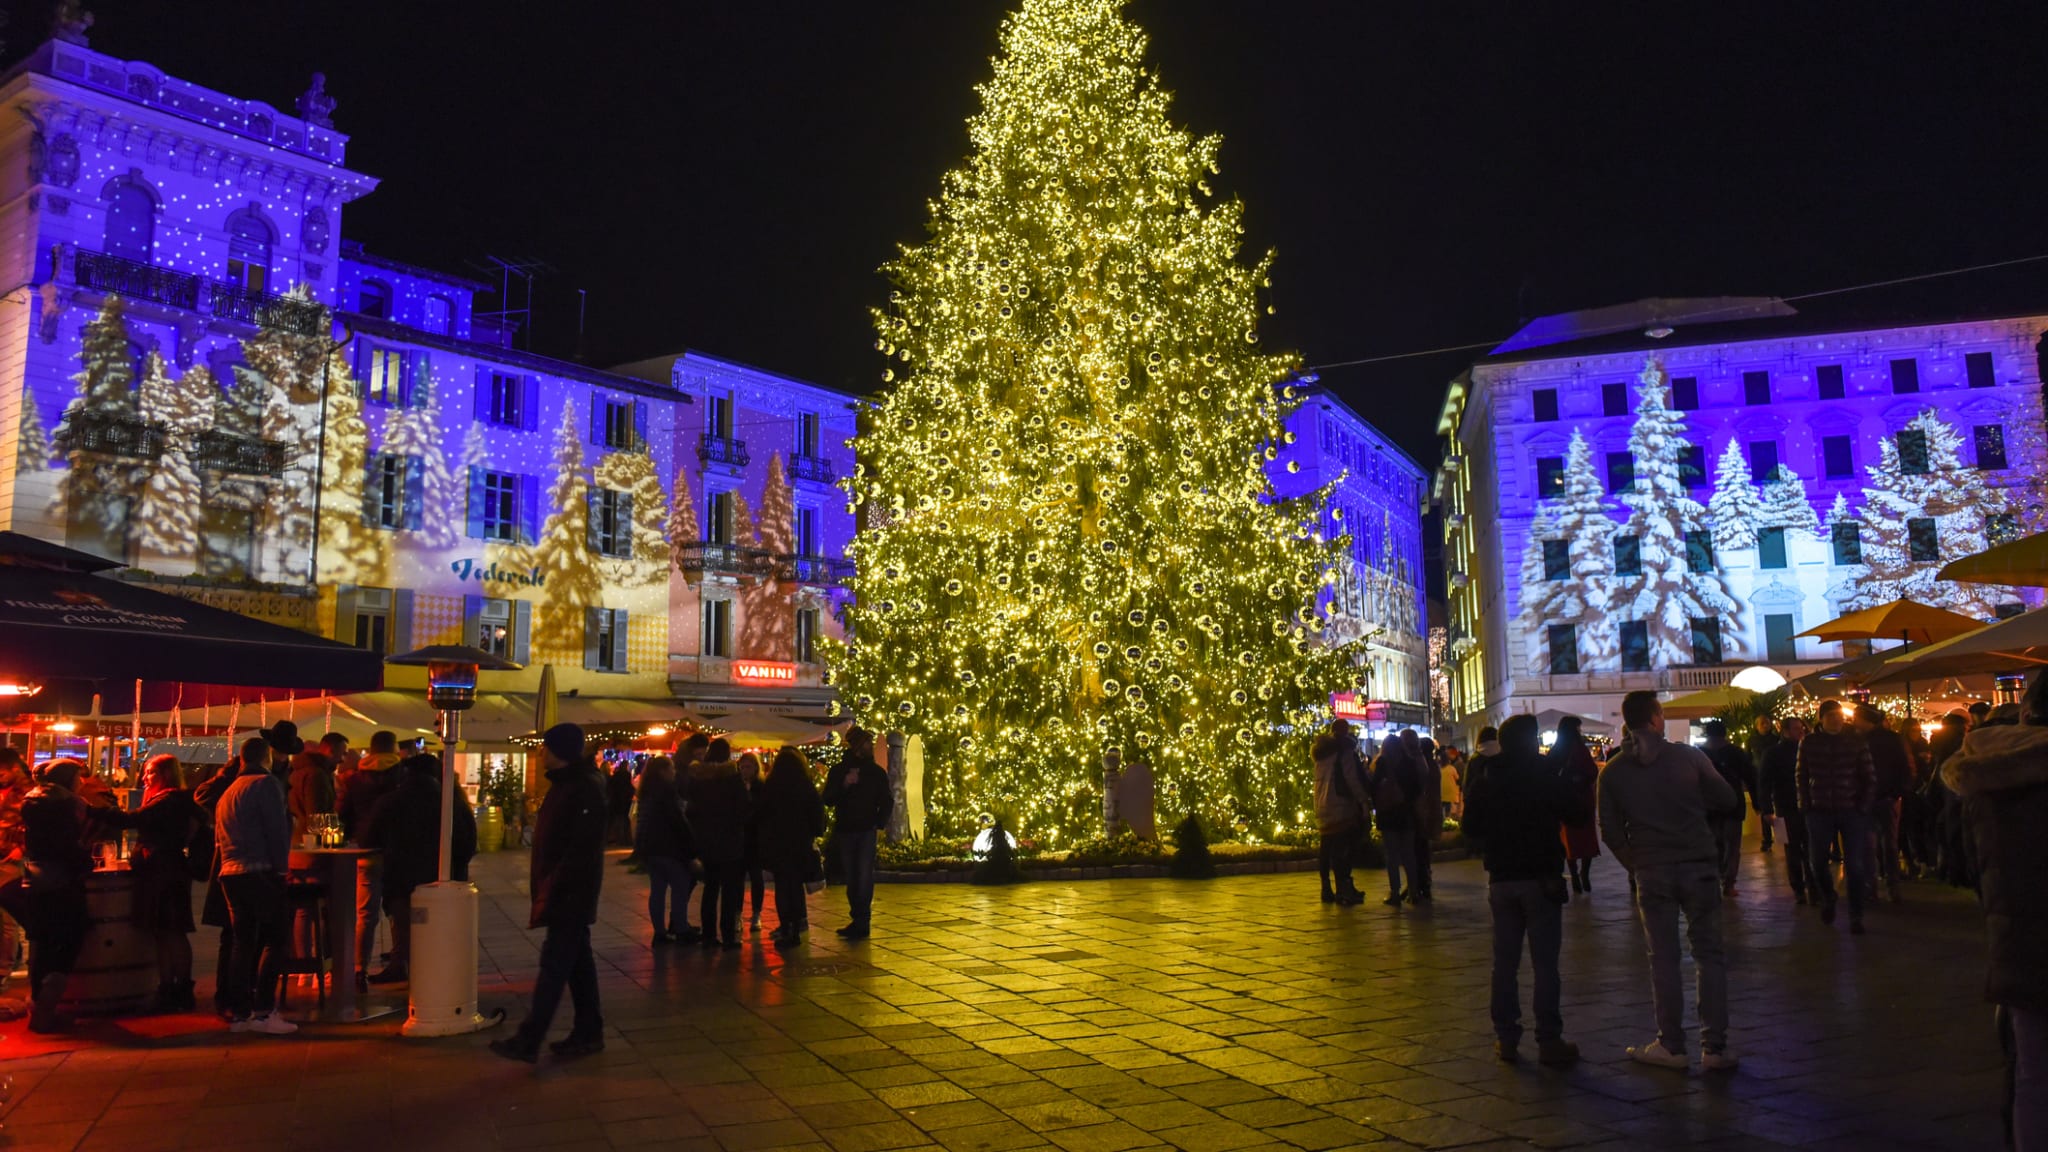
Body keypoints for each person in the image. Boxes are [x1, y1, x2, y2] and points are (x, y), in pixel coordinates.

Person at [1598, 691, 1740, 1071]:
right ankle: (1715, 1047)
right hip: (1698, 863)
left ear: (1627, 722)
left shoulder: (1612, 771)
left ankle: (1671, 1044)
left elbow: (1610, 830)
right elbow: (1726, 798)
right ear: (1657, 718)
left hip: (1652, 869)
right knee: (1708, 953)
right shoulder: (1690, 757)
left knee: (1662, 957)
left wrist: (1636, 863)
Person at [1942, 674, 2048, 1152]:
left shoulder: (1986, 776)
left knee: (2033, 1077)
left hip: (2018, 940)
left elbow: (1966, 864)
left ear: (2027, 710)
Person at [1464, 714, 1587, 1065]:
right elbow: (1576, 814)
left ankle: (1506, 1036)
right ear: (1531, 739)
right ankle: (1549, 1039)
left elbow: (1470, 825)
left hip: (1502, 877)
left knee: (1504, 962)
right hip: (1540, 876)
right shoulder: (1544, 772)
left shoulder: (1488, 775)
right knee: (1545, 963)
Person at [493, 723, 608, 1063]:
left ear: (559, 751)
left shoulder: (581, 788)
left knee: (555, 966)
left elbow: (579, 849)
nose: (541, 752)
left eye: (545, 747)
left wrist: (555, 886)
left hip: (569, 891)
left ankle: (529, 1038)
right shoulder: (570, 785)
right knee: (578, 965)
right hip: (565, 888)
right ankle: (589, 1031)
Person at [363, 753, 476, 983]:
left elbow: (368, 838)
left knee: (405, 927)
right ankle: (434, 975)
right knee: (438, 929)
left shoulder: (391, 801)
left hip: (401, 878)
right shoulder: (451, 802)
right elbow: (468, 842)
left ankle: (402, 966)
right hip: (442, 879)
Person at [214, 737, 295, 1034]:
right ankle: (263, 1011)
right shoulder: (266, 784)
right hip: (259, 870)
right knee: (276, 939)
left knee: (243, 942)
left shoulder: (229, 792)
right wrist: (281, 869)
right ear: (267, 757)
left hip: (230, 872)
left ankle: (239, 1013)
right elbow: (276, 830)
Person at [131, 755, 206, 1011]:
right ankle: (172, 987)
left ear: (165, 774)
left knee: (171, 930)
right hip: (168, 871)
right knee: (165, 931)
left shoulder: (167, 800)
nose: (145, 777)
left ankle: (178, 988)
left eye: (150, 772)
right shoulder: (177, 800)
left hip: (165, 872)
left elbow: (132, 819)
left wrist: (90, 809)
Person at [1799, 699, 1877, 934]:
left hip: (1850, 809)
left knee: (1854, 864)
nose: (1836, 719)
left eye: (1839, 715)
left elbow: (1869, 776)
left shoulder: (1855, 741)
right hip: (1819, 810)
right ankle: (1828, 897)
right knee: (1817, 862)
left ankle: (1856, 914)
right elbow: (1801, 774)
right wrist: (1806, 804)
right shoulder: (1809, 742)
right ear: (1821, 718)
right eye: (1831, 715)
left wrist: (1862, 806)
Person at [337, 730, 402, 991]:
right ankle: (399, 963)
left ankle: (358, 969)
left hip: (365, 852)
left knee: (366, 914)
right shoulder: (402, 776)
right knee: (397, 911)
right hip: (397, 852)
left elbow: (343, 814)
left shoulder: (354, 780)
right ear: (394, 749)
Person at [821, 728, 891, 940]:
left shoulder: (876, 773)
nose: (871, 747)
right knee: (852, 876)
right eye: (867, 744)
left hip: (866, 830)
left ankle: (863, 920)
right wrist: (845, 784)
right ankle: (858, 918)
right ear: (858, 747)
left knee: (863, 875)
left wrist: (878, 823)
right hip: (847, 830)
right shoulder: (839, 771)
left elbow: (886, 800)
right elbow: (828, 799)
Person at [755, 748, 824, 949]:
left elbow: (761, 814)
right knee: (795, 886)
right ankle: (796, 927)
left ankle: (786, 927)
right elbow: (817, 815)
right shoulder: (805, 786)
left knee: (783, 887)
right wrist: (814, 833)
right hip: (800, 843)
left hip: (778, 845)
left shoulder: (771, 786)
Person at [686, 739, 750, 950]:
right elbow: (743, 808)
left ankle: (709, 934)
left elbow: (691, 810)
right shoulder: (732, 778)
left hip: (706, 841)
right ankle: (729, 935)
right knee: (730, 890)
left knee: (711, 888)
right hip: (730, 840)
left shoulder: (698, 779)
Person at [1853, 703, 1913, 904]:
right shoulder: (1892, 739)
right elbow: (1906, 768)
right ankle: (1891, 885)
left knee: (1872, 845)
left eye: (1856, 718)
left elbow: (1904, 768)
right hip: (1886, 797)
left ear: (1865, 720)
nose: (1853, 722)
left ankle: (1873, 887)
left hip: (1876, 798)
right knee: (1888, 845)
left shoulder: (1861, 741)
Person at [632, 756, 695, 944]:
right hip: (668, 847)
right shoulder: (666, 792)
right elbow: (677, 821)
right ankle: (681, 929)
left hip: (650, 848)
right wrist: (691, 846)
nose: (674, 772)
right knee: (680, 886)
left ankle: (659, 932)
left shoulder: (646, 792)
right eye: (671, 769)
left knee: (657, 890)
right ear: (663, 771)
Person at [1312, 719, 1368, 906]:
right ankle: (1344, 888)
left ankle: (1326, 888)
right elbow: (1351, 778)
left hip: (1322, 804)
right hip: (1340, 804)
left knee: (1326, 848)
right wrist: (1362, 800)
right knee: (1343, 849)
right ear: (1345, 732)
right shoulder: (1344, 752)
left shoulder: (1321, 754)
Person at [1699, 721, 1757, 896]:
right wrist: (1757, 803)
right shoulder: (1737, 753)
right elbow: (1751, 778)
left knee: (1713, 843)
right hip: (1733, 804)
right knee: (1732, 845)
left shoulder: (1699, 753)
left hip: (1708, 805)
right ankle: (1729, 882)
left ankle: (1715, 878)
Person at [1759, 716, 1813, 903]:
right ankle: (1799, 887)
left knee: (1808, 848)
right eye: (1797, 729)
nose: (1801, 732)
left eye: (1802, 728)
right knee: (1792, 849)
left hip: (1806, 806)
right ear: (1786, 731)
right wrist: (1766, 809)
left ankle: (1811, 887)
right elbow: (1765, 783)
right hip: (1785, 806)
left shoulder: (1806, 749)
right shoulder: (1774, 753)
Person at [1551, 717, 1600, 894]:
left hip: (1564, 801)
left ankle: (1575, 875)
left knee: (1569, 840)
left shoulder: (1556, 750)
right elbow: (1592, 771)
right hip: (1582, 799)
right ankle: (1584, 873)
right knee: (1586, 840)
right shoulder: (1579, 749)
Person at [1370, 735, 1421, 907]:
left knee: (1392, 855)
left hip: (1388, 814)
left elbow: (1373, 787)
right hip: (1406, 812)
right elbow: (1417, 788)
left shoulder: (1382, 763)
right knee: (1409, 854)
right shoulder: (1408, 761)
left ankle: (1395, 892)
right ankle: (1414, 891)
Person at [0, 748, 31, 994]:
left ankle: (2, 971)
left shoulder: (28, 792)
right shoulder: (6, 790)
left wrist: (20, 849)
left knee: (7, 920)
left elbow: (33, 825)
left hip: (10, 858)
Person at [1406, 731, 1442, 902]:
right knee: (1423, 848)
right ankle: (1424, 880)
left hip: (1421, 810)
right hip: (1431, 809)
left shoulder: (1420, 764)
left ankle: (1420, 882)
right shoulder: (1433, 765)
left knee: (1418, 847)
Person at [738, 751, 768, 933]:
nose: (744, 771)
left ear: (755, 768)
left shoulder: (761, 787)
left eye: (748, 767)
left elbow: (761, 811)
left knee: (756, 877)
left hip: (755, 838)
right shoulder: (736, 786)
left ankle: (756, 913)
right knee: (737, 879)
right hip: (740, 838)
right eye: (742, 767)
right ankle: (737, 913)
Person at [1749, 717, 1782, 851]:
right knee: (1765, 809)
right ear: (1757, 726)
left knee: (1778, 808)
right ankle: (1767, 839)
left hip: (1774, 776)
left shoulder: (1776, 740)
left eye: (1766, 723)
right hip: (1760, 776)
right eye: (1762, 723)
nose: (1765, 726)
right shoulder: (1752, 741)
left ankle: (1780, 838)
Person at [606, 756, 637, 847]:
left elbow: (611, 786)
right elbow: (629, 786)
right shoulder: (627, 775)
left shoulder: (616, 775)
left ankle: (618, 838)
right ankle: (624, 839)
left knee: (618, 819)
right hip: (625, 799)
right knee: (625, 820)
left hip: (616, 799)